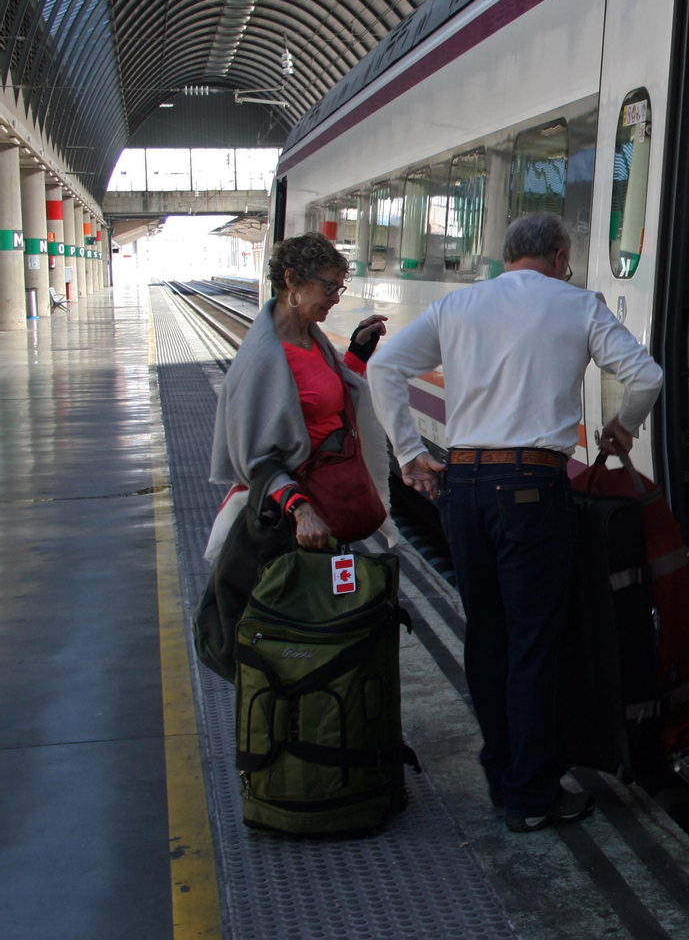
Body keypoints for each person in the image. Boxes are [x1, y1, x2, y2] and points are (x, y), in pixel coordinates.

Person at [366, 212, 663, 832]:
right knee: (533, 641)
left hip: (464, 484)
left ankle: (503, 774)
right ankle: (531, 794)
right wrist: (622, 428)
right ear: (558, 255)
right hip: (530, 486)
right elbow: (647, 376)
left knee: (489, 635)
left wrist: (407, 452)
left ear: (507, 256)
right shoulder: (578, 305)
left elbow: (383, 366)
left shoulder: (459, 306)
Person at [209, 233, 389, 551]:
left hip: (328, 500)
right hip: (293, 523)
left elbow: (324, 400)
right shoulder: (264, 357)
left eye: (339, 288)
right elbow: (257, 457)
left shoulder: (311, 339)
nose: (336, 298)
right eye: (329, 287)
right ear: (292, 280)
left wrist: (355, 356)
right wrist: (300, 509)